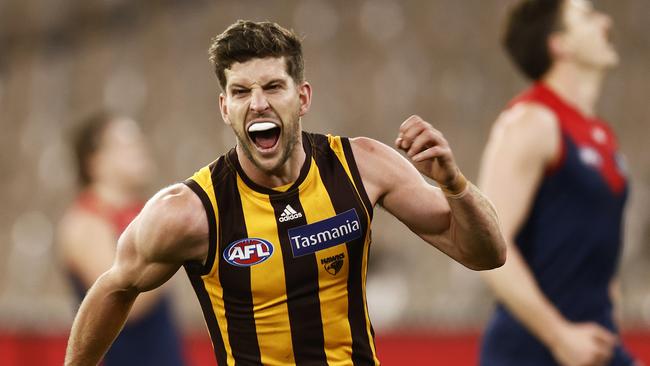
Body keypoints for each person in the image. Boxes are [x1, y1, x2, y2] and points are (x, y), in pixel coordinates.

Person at [64, 20, 506, 365]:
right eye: (241, 91)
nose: (258, 103)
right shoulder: (191, 211)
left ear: (303, 97)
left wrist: (455, 185)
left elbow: (487, 253)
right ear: (225, 107)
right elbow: (115, 287)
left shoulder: (363, 167)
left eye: (273, 86)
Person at [478, 0, 636, 365]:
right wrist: (559, 335)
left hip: (593, 343)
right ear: (559, 44)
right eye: (587, 15)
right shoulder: (530, 122)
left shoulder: (599, 134)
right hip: (533, 349)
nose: (606, 22)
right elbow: (488, 247)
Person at [58, 113, 185, 366]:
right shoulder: (85, 223)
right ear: (94, 162)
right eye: (126, 145)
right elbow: (122, 299)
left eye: (139, 142)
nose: (141, 150)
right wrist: (176, 248)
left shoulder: (141, 214)